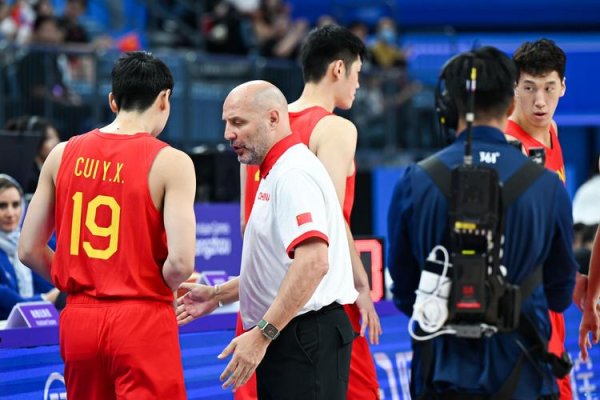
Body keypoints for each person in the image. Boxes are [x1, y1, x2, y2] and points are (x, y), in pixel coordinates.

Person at [388, 46, 577, 398]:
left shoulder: (414, 181)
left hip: (439, 375)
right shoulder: (547, 186)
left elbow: (403, 293)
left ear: (448, 109)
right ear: (511, 103)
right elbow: (560, 293)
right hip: (524, 375)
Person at [18, 51, 195, 399]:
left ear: (113, 101)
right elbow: (180, 263)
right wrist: (147, 287)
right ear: (164, 99)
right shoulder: (172, 162)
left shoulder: (61, 154)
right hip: (141, 314)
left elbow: (28, 250)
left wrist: (84, 282)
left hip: (79, 319)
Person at [177, 80, 358, 399]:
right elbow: (280, 270)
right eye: (227, 123)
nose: (228, 134)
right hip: (294, 335)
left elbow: (314, 263)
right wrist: (218, 294)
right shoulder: (277, 170)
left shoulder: (293, 174)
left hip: (303, 338)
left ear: (273, 118)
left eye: (238, 123)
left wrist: (262, 334)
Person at [240, 24, 382, 400]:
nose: (358, 85)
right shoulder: (334, 128)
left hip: (263, 298)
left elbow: (248, 224)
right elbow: (329, 221)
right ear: (338, 69)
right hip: (316, 297)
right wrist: (361, 286)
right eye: (357, 74)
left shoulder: (260, 121)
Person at [505, 38, 573, 399]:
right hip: (523, 308)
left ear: (563, 86)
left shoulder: (553, 131)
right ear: (514, 87)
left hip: (552, 296)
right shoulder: (506, 147)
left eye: (549, 88)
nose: (540, 101)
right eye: (529, 88)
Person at [0, 174, 59, 320]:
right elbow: (8, 303)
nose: (10, 213)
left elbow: (54, 284)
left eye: (15, 205)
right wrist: (46, 299)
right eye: (2, 206)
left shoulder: (36, 242)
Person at [5, 115, 61, 194]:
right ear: (37, 141)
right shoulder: (27, 175)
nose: (56, 142)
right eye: (49, 138)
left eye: (56, 136)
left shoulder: (57, 167)